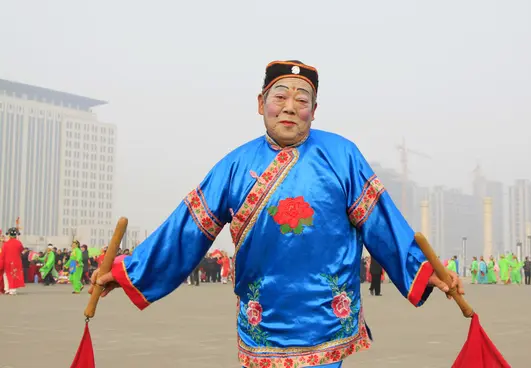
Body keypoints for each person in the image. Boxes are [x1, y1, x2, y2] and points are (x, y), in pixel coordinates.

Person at [91, 60, 464, 367]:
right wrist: (128, 273)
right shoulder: (235, 165)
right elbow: (188, 227)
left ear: (314, 111)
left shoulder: (342, 156)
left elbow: (382, 221)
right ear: (260, 103)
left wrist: (425, 271)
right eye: (280, 96)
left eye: (302, 99)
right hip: (262, 321)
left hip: (327, 318)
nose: (289, 106)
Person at [1, 228, 25, 295]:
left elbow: (3, 253)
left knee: (6, 274)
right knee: (14, 275)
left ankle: (7, 289)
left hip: (7, 261)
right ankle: (13, 289)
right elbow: (21, 250)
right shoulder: (18, 243)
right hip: (16, 261)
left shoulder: (6, 244)